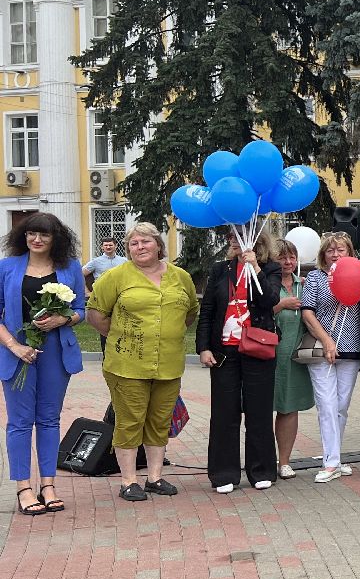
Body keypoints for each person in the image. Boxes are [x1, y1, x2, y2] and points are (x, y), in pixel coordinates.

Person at [86, 222, 197, 502]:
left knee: (159, 421)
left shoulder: (180, 277)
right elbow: (95, 314)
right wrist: (123, 335)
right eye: (134, 243)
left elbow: (190, 313)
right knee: (130, 420)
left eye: (145, 242)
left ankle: (155, 477)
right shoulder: (115, 276)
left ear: (158, 245)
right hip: (127, 364)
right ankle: (128, 481)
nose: (140, 247)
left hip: (169, 364)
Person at [1, 213, 86, 515]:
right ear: (23, 237)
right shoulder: (7, 267)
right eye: (31, 234)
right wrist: (14, 346)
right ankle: (24, 487)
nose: (37, 240)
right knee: (20, 422)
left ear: (55, 239)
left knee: (49, 419)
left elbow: (80, 309)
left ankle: (48, 485)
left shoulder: (70, 267)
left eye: (44, 235)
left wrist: (65, 319)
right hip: (17, 352)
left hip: (55, 351)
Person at [196, 230, 282, 493]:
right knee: (224, 412)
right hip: (225, 351)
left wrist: (254, 267)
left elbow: (270, 300)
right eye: (231, 237)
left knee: (259, 411)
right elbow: (208, 310)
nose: (233, 241)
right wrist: (203, 347)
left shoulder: (270, 268)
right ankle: (224, 473)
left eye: (238, 237)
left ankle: (262, 470)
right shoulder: (220, 269)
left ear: (256, 242)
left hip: (257, 348)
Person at [303, 232, 360, 484]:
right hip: (322, 349)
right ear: (323, 254)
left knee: (341, 406)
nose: (335, 254)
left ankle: (336, 458)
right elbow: (308, 313)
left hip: (351, 349)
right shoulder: (316, 279)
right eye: (330, 250)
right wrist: (328, 340)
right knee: (327, 406)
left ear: (350, 253)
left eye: (341, 250)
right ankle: (330, 463)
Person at [271, 238, 313, 479]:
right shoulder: (264, 284)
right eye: (282, 257)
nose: (288, 262)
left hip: (294, 359)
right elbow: (251, 315)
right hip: (266, 358)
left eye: (291, 257)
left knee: (289, 410)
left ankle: (284, 461)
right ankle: (263, 459)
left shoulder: (304, 285)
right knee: (261, 410)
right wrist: (280, 305)